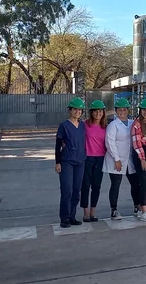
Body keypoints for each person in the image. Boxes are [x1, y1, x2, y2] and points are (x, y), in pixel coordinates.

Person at [55, 98, 87, 228]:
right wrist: (58, 162)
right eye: (75, 109)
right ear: (70, 110)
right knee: (67, 190)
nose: (78, 112)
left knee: (76, 190)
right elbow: (58, 145)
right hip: (67, 161)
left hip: (80, 161)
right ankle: (65, 218)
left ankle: (73, 216)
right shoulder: (64, 126)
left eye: (80, 110)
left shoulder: (83, 125)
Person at [103, 98, 135, 220]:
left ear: (128, 110)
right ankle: (114, 210)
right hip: (115, 159)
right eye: (120, 110)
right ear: (116, 111)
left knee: (135, 183)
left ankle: (137, 206)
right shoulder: (113, 125)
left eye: (124, 109)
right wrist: (116, 159)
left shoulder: (132, 123)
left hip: (129, 159)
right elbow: (109, 142)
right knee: (116, 184)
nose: (122, 112)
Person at [80, 100, 107, 222]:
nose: (98, 113)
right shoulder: (84, 125)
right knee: (85, 185)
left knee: (96, 186)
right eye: (96, 111)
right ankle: (85, 213)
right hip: (87, 158)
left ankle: (93, 212)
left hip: (100, 158)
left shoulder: (105, 127)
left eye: (100, 111)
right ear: (91, 113)